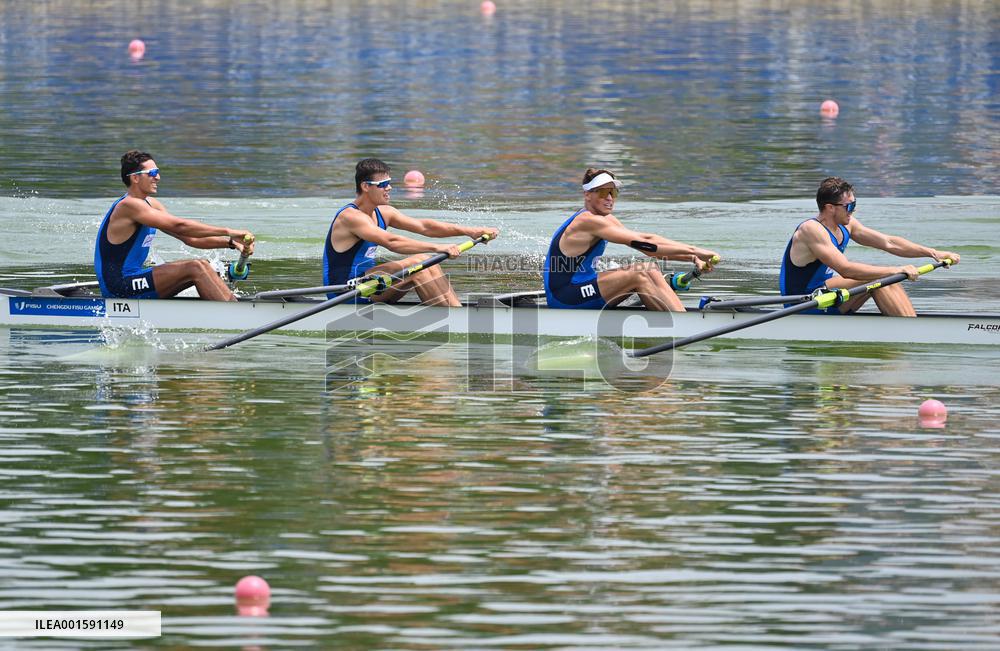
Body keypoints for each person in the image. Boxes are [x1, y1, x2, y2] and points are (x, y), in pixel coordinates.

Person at [323, 158, 499, 306]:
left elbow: (425, 227)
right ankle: (457, 320)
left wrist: (471, 231)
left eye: (389, 183)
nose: (389, 188)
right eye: (383, 184)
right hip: (343, 291)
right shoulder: (351, 217)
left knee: (426, 263)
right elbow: (392, 242)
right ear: (365, 186)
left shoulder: (384, 212)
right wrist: (439, 248)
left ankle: (456, 310)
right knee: (421, 264)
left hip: (372, 285)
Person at [543, 168, 719, 311]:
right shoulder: (587, 221)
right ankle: (684, 325)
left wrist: (692, 258)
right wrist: (696, 250)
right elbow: (645, 244)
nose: (610, 198)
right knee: (641, 271)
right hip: (564, 297)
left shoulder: (604, 219)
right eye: (603, 192)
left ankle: (676, 316)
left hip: (582, 286)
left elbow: (646, 241)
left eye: (613, 192)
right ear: (587, 194)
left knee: (650, 268)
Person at [779, 177, 961, 316]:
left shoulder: (846, 224)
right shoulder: (811, 230)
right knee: (881, 279)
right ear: (830, 208)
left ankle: (910, 324)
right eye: (849, 206)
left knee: (889, 278)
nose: (854, 210)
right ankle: (912, 332)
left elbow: (889, 242)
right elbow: (846, 269)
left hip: (827, 295)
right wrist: (894, 270)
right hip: (803, 302)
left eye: (854, 204)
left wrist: (933, 252)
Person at [94, 150, 255, 301]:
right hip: (118, 286)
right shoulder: (128, 206)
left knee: (204, 265)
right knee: (196, 267)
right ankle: (237, 315)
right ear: (135, 178)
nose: (158, 177)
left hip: (134, 278)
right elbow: (180, 226)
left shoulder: (152, 205)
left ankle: (229, 306)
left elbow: (190, 238)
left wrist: (231, 243)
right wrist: (229, 231)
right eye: (152, 173)